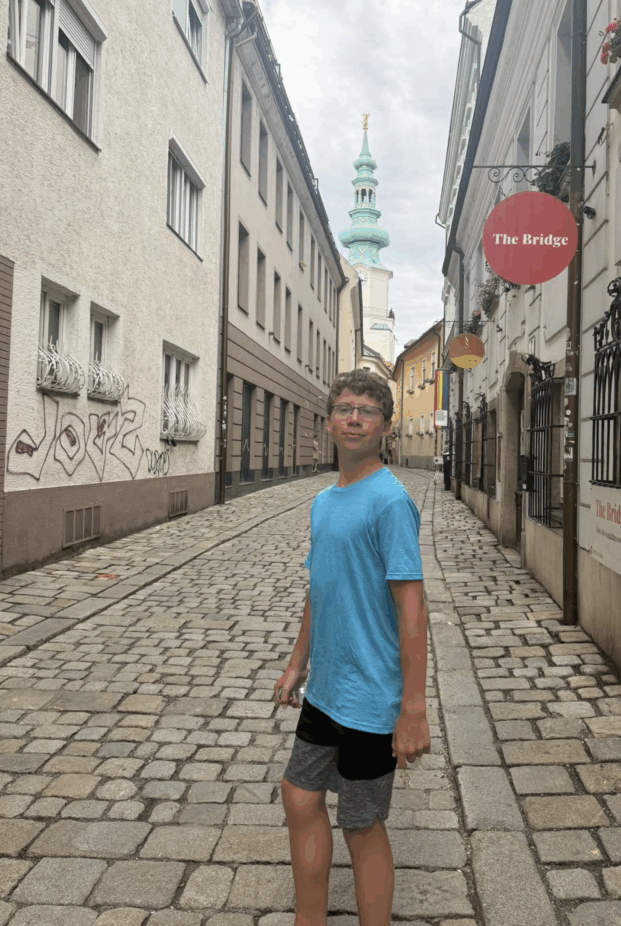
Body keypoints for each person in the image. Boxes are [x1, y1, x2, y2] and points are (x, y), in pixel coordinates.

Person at [275, 369, 430, 926]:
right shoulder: (323, 502)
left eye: (368, 411)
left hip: (371, 696)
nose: (355, 418)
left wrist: (413, 707)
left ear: (386, 427)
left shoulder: (389, 501)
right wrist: (298, 663)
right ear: (329, 422)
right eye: (345, 409)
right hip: (326, 691)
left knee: (361, 824)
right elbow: (320, 587)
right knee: (299, 796)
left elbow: (411, 608)